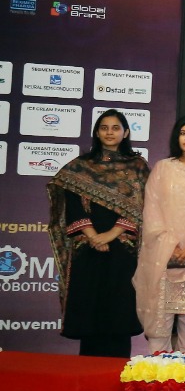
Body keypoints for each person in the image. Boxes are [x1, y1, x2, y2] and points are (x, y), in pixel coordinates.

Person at [46, 109, 149, 357]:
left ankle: (118, 371)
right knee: (89, 309)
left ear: (125, 132)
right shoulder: (80, 167)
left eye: (115, 128)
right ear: (97, 132)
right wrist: (93, 236)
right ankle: (89, 372)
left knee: (119, 310)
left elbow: (143, 205)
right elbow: (71, 204)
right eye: (104, 128)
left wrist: (111, 234)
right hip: (87, 249)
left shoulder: (137, 167)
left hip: (122, 249)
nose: (109, 132)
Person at [133, 115, 185, 353]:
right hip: (163, 255)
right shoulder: (163, 168)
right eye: (183, 133)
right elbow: (151, 209)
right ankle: (156, 375)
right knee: (159, 325)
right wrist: (170, 245)